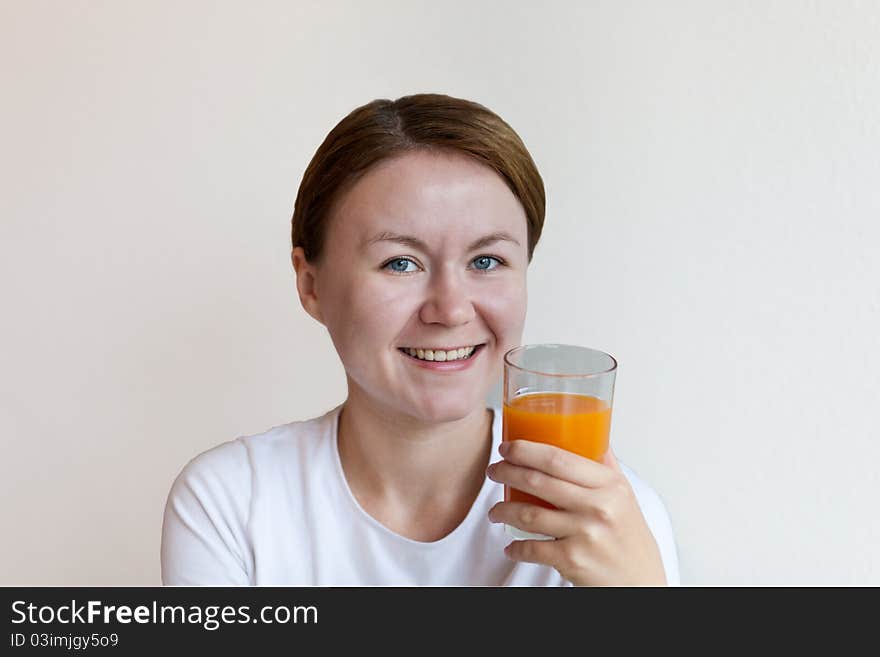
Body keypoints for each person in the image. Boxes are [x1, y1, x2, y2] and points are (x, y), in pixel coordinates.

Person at [161, 93, 680, 586]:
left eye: (486, 261)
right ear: (311, 284)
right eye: (400, 263)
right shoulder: (231, 502)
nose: (451, 310)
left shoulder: (610, 521)